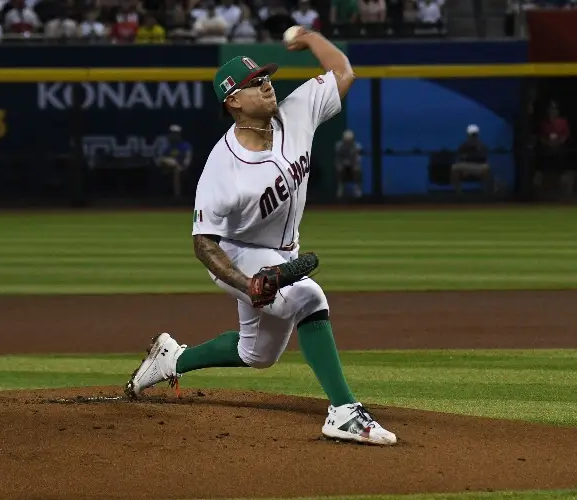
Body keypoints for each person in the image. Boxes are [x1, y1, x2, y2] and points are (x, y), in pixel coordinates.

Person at [125, 28, 397, 447]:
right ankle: (343, 412)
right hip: (239, 255)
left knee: (258, 355)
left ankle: (172, 358)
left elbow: (342, 70)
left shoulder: (298, 111)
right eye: (255, 84)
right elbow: (204, 244)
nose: (267, 85)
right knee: (309, 298)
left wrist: (310, 37)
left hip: (282, 254)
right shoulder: (222, 167)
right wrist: (244, 283)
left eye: (266, 77)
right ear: (233, 100)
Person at [450, 124, 491, 195]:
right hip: (468, 166)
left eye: (473, 134)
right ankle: (458, 193)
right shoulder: (466, 144)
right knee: (454, 168)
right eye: (472, 134)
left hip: (478, 166)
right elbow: (460, 156)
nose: (473, 136)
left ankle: (486, 193)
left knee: (487, 168)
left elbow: (484, 157)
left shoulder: (480, 144)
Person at [154, 124, 193, 200]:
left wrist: (183, 166)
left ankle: (177, 198)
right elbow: (162, 159)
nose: (172, 136)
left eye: (175, 134)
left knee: (176, 171)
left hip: (182, 169)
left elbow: (187, 160)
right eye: (171, 134)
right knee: (165, 162)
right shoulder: (169, 147)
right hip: (169, 169)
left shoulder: (185, 146)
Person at [335, 129, 362, 199]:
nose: (348, 141)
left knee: (357, 169)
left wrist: (353, 164)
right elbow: (338, 158)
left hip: (352, 166)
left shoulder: (356, 146)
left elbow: (358, 158)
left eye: (349, 139)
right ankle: (340, 188)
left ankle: (357, 188)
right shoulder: (339, 146)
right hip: (343, 166)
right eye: (346, 139)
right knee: (339, 169)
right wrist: (340, 164)